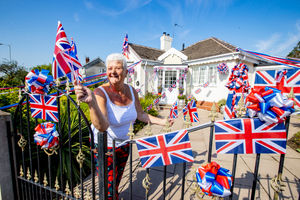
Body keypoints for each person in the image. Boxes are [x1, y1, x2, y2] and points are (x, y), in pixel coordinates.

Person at [74, 53, 174, 199]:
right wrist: (91, 103)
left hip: (124, 144)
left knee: (117, 179)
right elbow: (102, 126)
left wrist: (163, 121)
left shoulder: (132, 91)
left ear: (126, 72)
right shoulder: (100, 93)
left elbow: (141, 115)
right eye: (110, 68)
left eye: (118, 68)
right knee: (107, 186)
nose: (113, 71)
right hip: (105, 148)